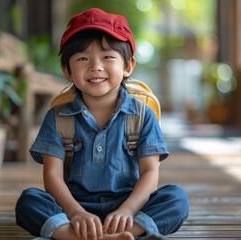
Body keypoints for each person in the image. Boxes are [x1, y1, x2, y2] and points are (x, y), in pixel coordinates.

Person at [15, 8, 189, 240]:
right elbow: (53, 176)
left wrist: (127, 210)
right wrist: (76, 213)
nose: (95, 66)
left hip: (129, 206)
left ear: (128, 66)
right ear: (67, 70)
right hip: (74, 206)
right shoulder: (58, 117)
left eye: (108, 57)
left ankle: (122, 232)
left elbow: (149, 173)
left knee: (176, 198)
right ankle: (87, 235)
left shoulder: (141, 115)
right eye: (83, 58)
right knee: (29, 200)